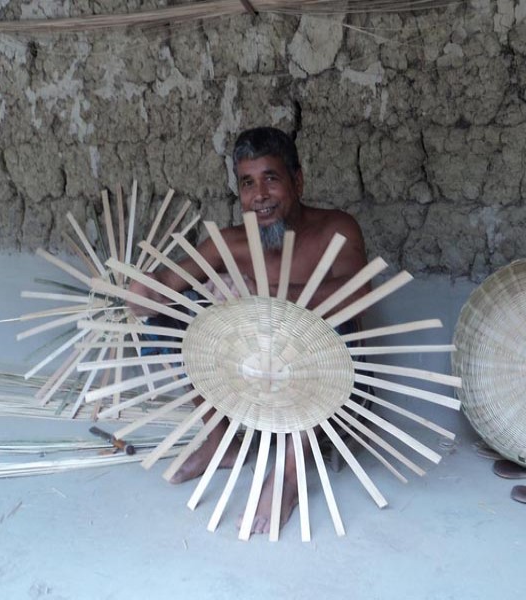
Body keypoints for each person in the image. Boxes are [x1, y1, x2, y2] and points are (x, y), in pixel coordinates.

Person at [128, 126, 370, 535]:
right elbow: (163, 286)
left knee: (326, 332)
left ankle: (290, 475)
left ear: (298, 180)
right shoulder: (230, 242)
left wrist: (261, 291)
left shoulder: (336, 229)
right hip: (253, 375)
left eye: (271, 179)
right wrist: (140, 290)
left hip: (328, 380)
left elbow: (357, 294)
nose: (259, 195)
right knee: (170, 322)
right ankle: (222, 442)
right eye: (247, 183)